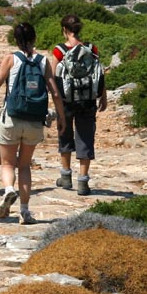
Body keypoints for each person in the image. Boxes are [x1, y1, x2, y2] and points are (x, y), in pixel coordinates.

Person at [0, 22, 65, 224]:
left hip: (12, 117)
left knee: (7, 163)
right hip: (34, 121)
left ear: (16, 39)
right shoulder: (43, 61)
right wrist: (62, 118)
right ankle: (25, 211)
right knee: (25, 165)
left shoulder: (11, 59)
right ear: (34, 38)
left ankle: (9, 190)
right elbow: (54, 92)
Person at [51, 14, 107, 196]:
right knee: (85, 136)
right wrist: (103, 97)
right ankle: (83, 181)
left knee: (65, 133)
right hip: (88, 100)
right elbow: (99, 74)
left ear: (64, 30)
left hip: (66, 101)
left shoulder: (59, 51)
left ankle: (66, 176)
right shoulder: (91, 49)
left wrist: (54, 100)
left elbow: (52, 77)